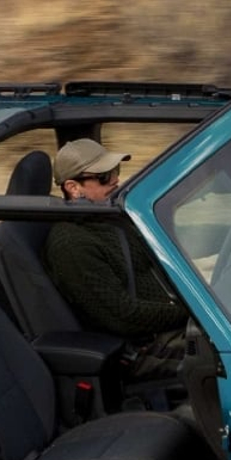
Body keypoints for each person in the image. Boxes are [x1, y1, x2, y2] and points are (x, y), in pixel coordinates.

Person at [44, 138, 189, 382]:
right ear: (73, 187)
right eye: (103, 177)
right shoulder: (71, 244)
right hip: (144, 348)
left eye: (114, 172)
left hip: (167, 326)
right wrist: (190, 313)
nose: (114, 181)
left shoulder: (109, 219)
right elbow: (124, 316)